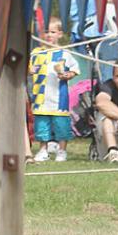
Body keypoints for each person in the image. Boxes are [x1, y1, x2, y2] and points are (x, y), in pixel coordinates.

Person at [29, 16, 80, 162]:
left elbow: (74, 70)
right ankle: (43, 149)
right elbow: (29, 68)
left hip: (59, 97)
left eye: (52, 32)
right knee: (41, 125)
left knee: (61, 125)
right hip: (40, 97)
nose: (49, 35)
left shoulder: (64, 53)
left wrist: (67, 75)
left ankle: (62, 150)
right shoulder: (36, 52)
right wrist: (30, 70)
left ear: (59, 34)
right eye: (46, 32)